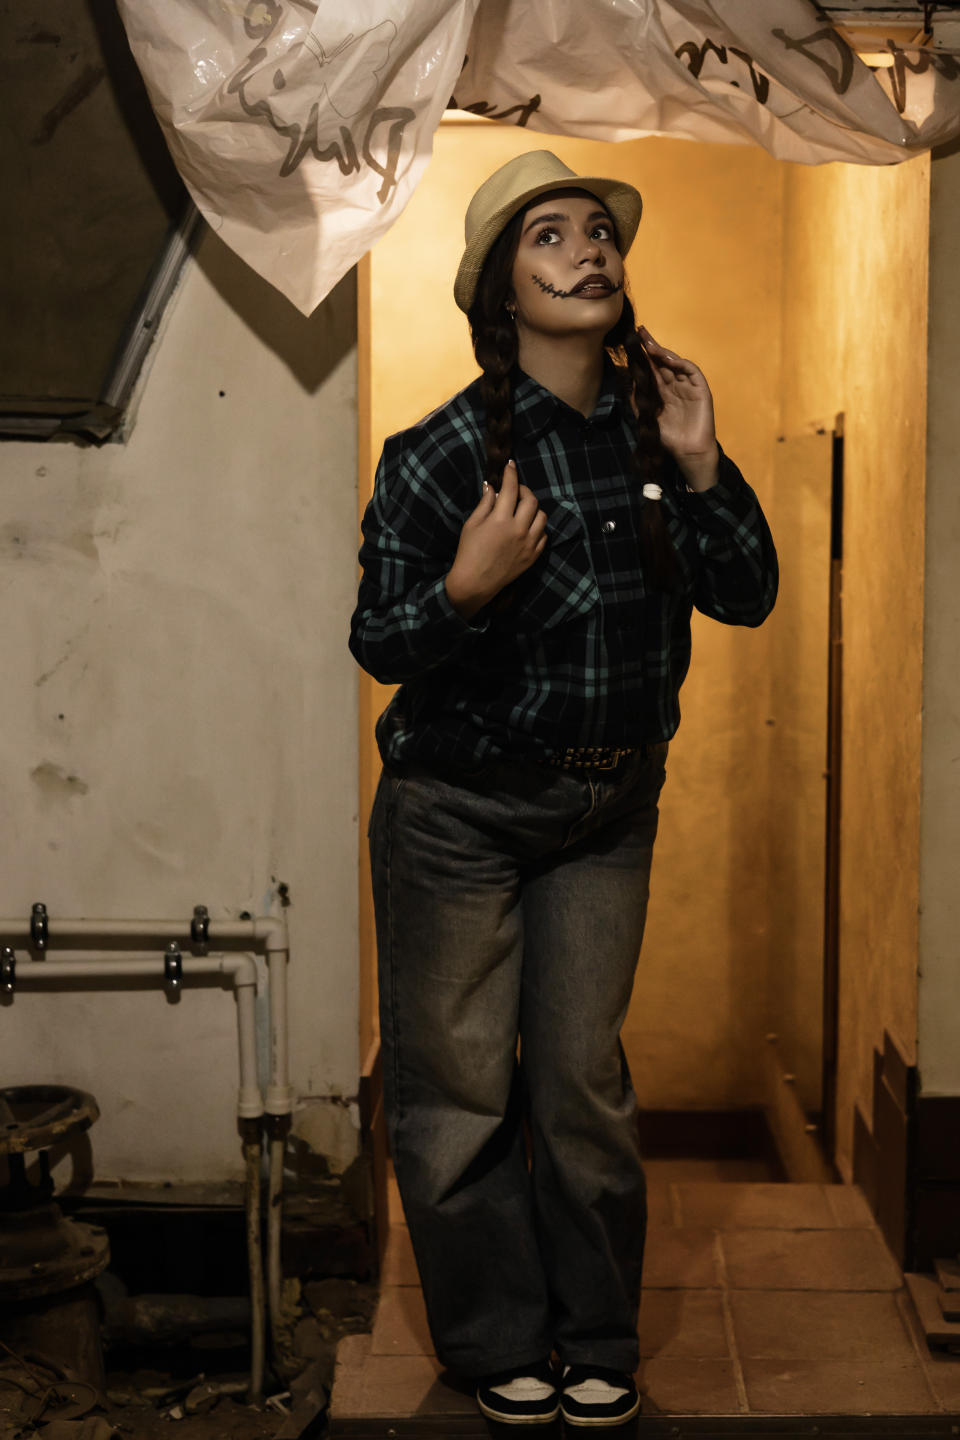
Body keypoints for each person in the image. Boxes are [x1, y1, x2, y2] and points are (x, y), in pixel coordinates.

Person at [349, 150, 777, 1427]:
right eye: (550, 235)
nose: (588, 249)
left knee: (581, 1086)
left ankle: (597, 1338)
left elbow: (747, 592)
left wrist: (703, 464)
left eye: (599, 231)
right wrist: (465, 588)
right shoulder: (439, 455)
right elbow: (380, 641)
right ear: (502, 288)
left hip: (606, 815)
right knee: (461, 1090)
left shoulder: (653, 434)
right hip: (458, 817)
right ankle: (497, 1342)